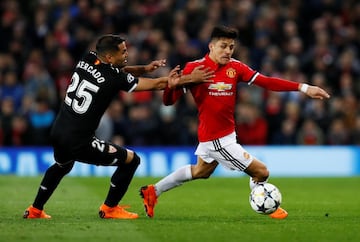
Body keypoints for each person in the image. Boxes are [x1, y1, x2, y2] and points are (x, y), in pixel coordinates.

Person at [140, 26, 330, 219]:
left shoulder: (235, 67)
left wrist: (304, 88)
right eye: (223, 46)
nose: (228, 51)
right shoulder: (195, 69)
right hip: (217, 139)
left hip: (225, 133)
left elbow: (266, 82)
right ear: (211, 46)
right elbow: (168, 101)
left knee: (200, 171)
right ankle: (263, 200)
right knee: (262, 172)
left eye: (231, 47)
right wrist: (174, 85)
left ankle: (153, 191)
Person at [23, 34, 213, 219]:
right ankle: (110, 209)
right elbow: (158, 84)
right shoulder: (113, 78)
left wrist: (144, 68)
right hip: (80, 141)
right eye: (122, 52)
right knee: (131, 160)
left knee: (62, 165)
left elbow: (119, 71)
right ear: (109, 57)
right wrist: (191, 78)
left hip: (59, 132)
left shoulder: (87, 59)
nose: (126, 54)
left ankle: (35, 210)